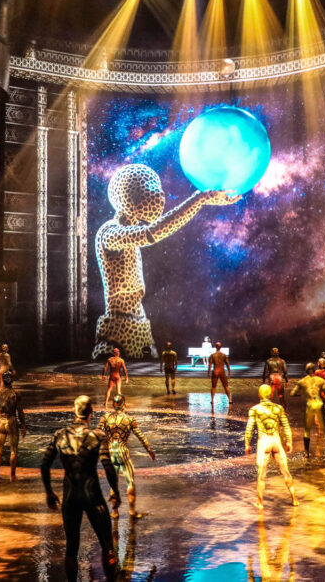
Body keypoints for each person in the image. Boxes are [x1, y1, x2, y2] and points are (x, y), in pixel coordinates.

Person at [92, 163, 240, 360]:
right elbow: (152, 232)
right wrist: (199, 199)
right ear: (127, 195)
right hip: (117, 330)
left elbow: (151, 231)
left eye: (156, 187)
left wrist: (201, 200)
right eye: (148, 187)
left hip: (139, 325)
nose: (159, 194)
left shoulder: (125, 233)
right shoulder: (109, 233)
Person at [41, 395, 120, 581]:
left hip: (70, 495)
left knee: (71, 548)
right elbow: (108, 466)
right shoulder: (98, 435)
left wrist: (49, 492)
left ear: (74, 411)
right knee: (107, 545)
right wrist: (115, 491)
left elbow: (44, 465)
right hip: (92, 494)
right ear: (91, 413)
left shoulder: (60, 435)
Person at [98, 394, 155, 519]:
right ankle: (132, 511)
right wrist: (149, 450)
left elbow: (96, 433)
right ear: (124, 404)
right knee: (130, 482)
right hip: (123, 451)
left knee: (113, 483)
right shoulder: (129, 419)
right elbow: (140, 436)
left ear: (113, 404)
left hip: (111, 451)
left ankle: (115, 512)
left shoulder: (106, 418)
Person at [245, 384, 298, 508]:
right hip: (276, 441)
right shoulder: (278, 408)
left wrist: (247, 444)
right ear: (271, 395)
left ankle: (260, 502)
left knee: (261, 475)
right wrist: (289, 441)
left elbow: (249, 428)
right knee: (286, 471)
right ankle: (294, 499)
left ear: (259, 395)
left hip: (264, 442)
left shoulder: (255, 409)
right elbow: (286, 426)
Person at [291, 363, 325, 461]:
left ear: (306, 370)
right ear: (314, 370)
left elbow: (293, 393)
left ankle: (306, 453)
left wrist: (302, 393)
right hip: (319, 405)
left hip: (310, 406)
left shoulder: (302, 381)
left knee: (307, 431)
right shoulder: (320, 381)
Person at [0, 371, 26, 483]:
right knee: (13, 451)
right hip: (12, 421)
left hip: (1, 421)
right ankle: (12, 476)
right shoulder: (15, 394)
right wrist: (23, 425)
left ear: (2, 380)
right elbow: (20, 411)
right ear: (11, 381)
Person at [208, 342, 232, 409]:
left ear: (215, 347)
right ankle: (230, 399)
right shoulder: (223, 355)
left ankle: (212, 400)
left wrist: (208, 372)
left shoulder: (213, 355)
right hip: (221, 371)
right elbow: (227, 364)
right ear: (221, 347)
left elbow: (210, 365)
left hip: (215, 371)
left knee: (213, 386)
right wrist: (229, 372)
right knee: (226, 386)